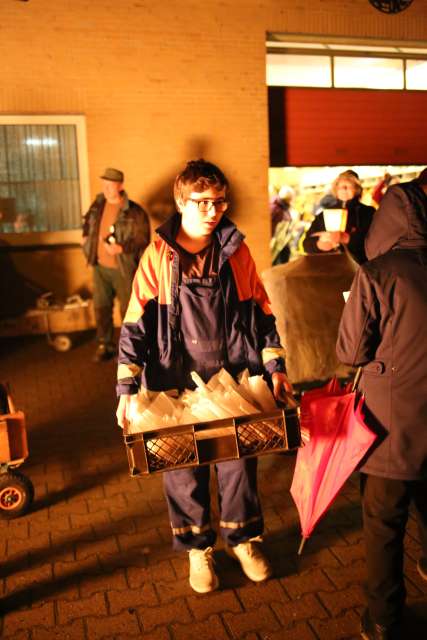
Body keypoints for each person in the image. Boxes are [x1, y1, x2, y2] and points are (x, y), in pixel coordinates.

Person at [116, 159, 292, 593]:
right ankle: (198, 549)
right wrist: (125, 388)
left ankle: (243, 540)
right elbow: (136, 322)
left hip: (232, 380)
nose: (213, 211)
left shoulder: (236, 250)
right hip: (174, 381)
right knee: (183, 469)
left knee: (238, 464)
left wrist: (275, 368)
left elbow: (262, 313)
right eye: (202, 203)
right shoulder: (159, 255)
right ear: (181, 202)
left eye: (219, 201)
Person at [336, 168, 427, 639]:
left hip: (392, 429)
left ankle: (384, 620)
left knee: (384, 524)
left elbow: (351, 353)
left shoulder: (377, 274)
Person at [82, 168, 150, 362]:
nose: (106, 188)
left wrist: (121, 248)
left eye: (110, 185)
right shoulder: (98, 204)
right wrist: (85, 235)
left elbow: (143, 238)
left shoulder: (134, 211)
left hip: (122, 268)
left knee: (128, 309)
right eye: (104, 184)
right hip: (100, 266)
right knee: (101, 307)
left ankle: (130, 349)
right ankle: (105, 344)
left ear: (120, 186)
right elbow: (88, 220)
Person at [303, 170, 375, 264]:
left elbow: (376, 242)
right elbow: (306, 244)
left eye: (349, 186)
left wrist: (347, 239)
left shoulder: (367, 213)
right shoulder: (324, 215)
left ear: (357, 189)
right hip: (330, 269)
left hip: (360, 268)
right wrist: (319, 244)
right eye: (341, 186)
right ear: (336, 190)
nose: (344, 189)